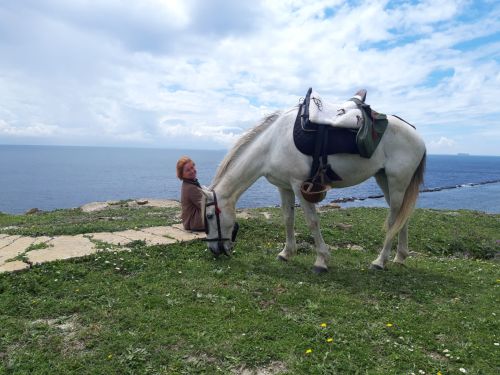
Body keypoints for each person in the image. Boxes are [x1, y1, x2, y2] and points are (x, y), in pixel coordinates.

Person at [176, 156, 204, 231]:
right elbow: (205, 205)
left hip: (190, 221)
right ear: (182, 174)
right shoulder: (191, 187)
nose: (192, 171)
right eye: (188, 170)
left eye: (192, 167)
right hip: (195, 222)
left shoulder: (188, 183)